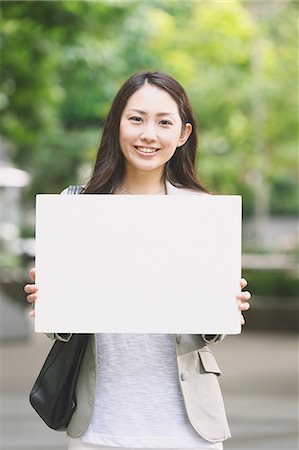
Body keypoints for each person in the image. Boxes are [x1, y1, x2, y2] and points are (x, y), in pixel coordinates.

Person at [24, 71, 251, 450]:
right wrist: (48, 300)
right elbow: (60, 327)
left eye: (164, 122)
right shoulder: (75, 207)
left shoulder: (202, 212)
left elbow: (211, 331)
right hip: (99, 427)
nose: (149, 134)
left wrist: (227, 305)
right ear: (116, 126)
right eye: (136, 119)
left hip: (189, 428)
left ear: (183, 134)